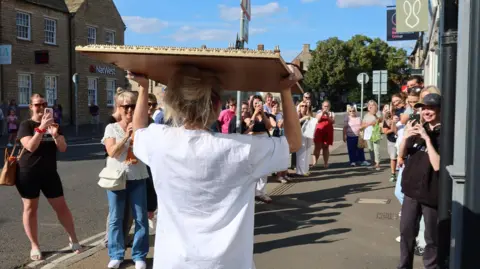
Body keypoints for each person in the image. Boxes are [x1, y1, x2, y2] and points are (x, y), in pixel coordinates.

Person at [129, 65, 302, 269]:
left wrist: (142, 88)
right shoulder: (240, 148)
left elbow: (137, 132)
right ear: (217, 105)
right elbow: (293, 143)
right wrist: (285, 90)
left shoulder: (159, 140)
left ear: (174, 103)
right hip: (228, 263)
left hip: (173, 261)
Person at [16, 93, 82, 261]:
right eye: (37, 104)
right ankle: (35, 245)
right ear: (31, 107)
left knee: (62, 207)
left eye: (44, 104)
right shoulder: (26, 125)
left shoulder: (55, 125)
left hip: (49, 173)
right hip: (28, 173)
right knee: (30, 209)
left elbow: (63, 148)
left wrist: (55, 134)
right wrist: (41, 128)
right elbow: (30, 146)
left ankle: (73, 240)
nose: (41, 107)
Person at [102, 91, 150, 269]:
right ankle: (116, 254)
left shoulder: (143, 127)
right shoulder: (111, 128)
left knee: (140, 218)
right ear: (119, 108)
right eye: (125, 106)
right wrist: (126, 137)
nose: (129, 110)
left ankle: (139, 255)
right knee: (116, 218)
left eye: (132, 106)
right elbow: (112, 152)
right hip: (117, 178)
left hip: (137, 176)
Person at [397, 93, 441, 269]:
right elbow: (401, 155)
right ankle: (404, 266)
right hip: (411, 192)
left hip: (431, 193)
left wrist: (427, 139)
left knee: (432, 239)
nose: (426, 112)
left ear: (439, 110)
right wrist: (406, 137)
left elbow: (438, 165)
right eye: (424, 108)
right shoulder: (417, 129)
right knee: (406, 233)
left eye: (430, 108)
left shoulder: (444, 133)